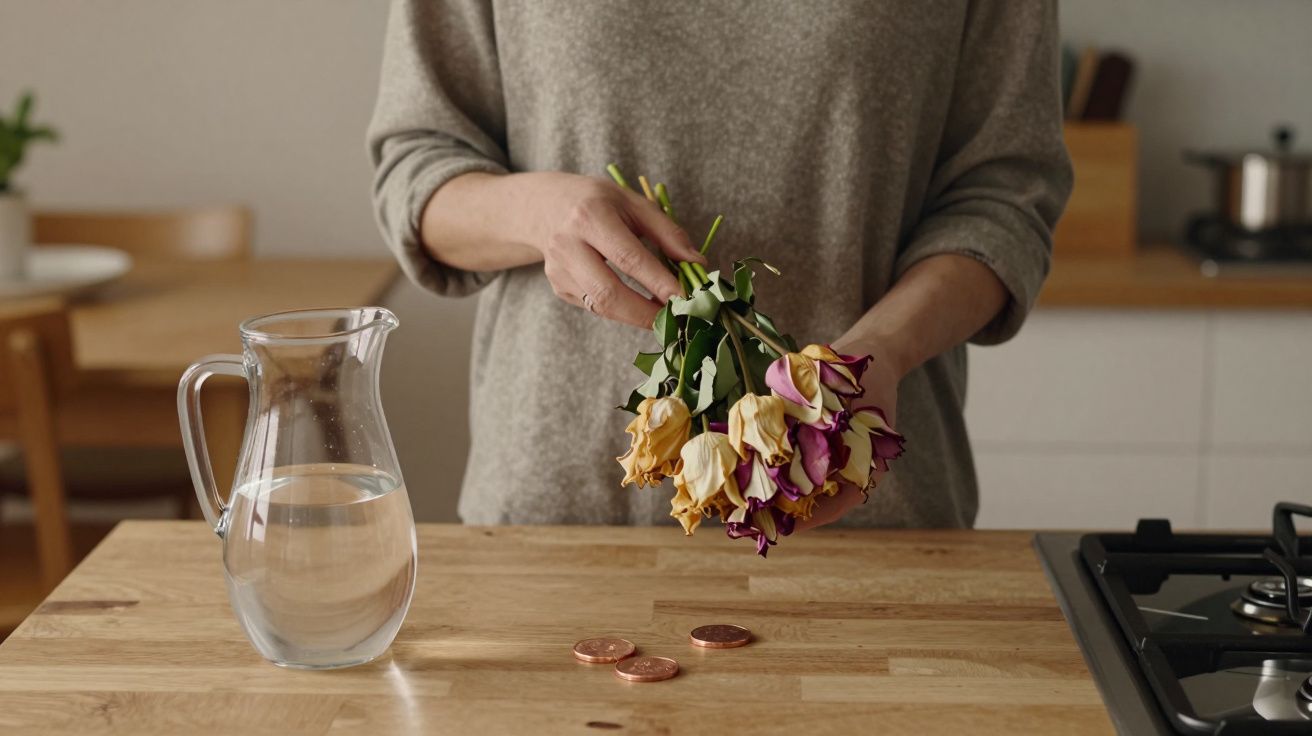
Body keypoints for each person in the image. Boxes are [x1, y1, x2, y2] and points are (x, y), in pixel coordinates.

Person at [367, 1, 1071, 529]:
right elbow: (417, 171)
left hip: (862, 515)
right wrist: (541, 215)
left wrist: (882, 349)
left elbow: (1004, 195)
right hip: (555, 527)